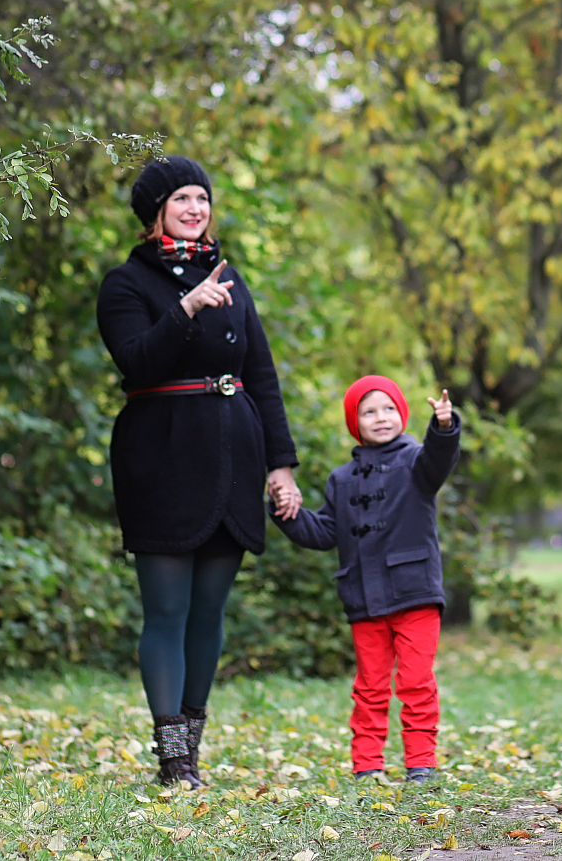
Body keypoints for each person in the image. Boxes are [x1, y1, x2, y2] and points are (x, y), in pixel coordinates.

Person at [95, 155, 305, 789]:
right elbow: (137, 361)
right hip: (160, 455)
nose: (195, 208)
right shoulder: (125, 283)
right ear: (155, 211)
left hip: (233, 454)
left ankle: (191, 747)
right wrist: (185, 308)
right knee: (167, 610)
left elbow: (261, 375)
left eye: (202, 198)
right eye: (181, 199)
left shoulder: (230, 278)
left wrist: (281, 465)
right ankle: (172, 757)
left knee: (209, 612)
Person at [274, 375, 461, 783]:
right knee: (370, 686)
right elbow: (324, 532)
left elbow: (440, 457)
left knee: (416, 682)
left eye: (389, 408)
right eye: (369, 411)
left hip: (415, 593)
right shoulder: (342, 480)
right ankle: (367, 766)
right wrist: (287, 512)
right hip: (364, 598)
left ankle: (421, 763)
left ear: (402, 414)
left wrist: (444, 427)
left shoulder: (417, 462)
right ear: (354, 422)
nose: (380, 417)